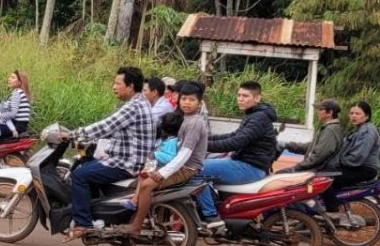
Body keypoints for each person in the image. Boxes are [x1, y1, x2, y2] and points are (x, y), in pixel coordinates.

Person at [61, 66, 155, 241]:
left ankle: (83, 224)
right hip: (129, 159)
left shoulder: (133, 107)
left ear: (130, 86)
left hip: (125, 163)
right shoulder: (140, 102)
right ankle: (97, 216)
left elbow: (106, 126)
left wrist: (72, 134)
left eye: (117, 83)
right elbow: (114, 129)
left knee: (79, 175)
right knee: (86, 166)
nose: (113, 86)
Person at [123, 81, 209, 235]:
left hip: (187, 168)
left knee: (146, 186)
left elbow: (184, 154)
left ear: (199, 103)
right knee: (142, 176)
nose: (187, 103)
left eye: (191, 100)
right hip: (180, 165)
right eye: (184, 99)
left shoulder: (194, 123)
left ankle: (136, 226)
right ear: (178, 99)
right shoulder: (187, 119)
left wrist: (163, 173)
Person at [193, 81, 279, 229]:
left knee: (195, 169)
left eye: (245, 96)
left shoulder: (258, 118)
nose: (240, 98)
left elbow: (236, 142)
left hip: (249, 167)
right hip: (246, 163)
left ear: (257, 98)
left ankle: (211, 216)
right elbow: (233, 135)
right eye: (239, 95)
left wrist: (201, 145)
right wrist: (204, 139)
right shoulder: (254, 115)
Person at [322, 101, 380, 212]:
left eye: (357, 113)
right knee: (324, 172)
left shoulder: (367, 132)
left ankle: (332, 211)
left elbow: (356, 158)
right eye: (351, 113)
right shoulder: (359, 129)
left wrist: (336, 162)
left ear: (367, 115)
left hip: (364, 170)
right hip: (357, 168)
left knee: (324, 179)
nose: (353, 116)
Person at [277, 99, 344, 173]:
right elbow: (311, 147)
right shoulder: (329, 128)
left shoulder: (330, 130)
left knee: (279, 176)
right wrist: (287, 144)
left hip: (316, 171)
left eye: (320, 109)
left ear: (330, 112)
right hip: (315, 169)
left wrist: (297, 167)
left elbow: (318, 157)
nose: (317, 112)